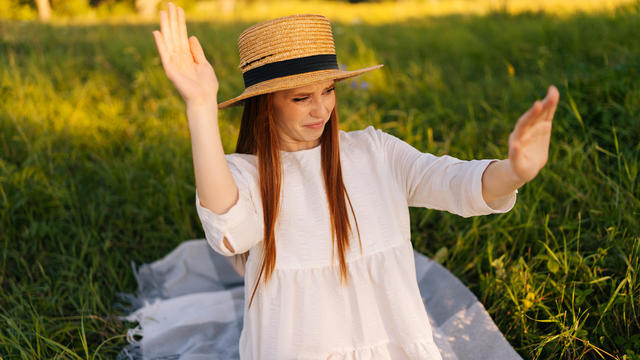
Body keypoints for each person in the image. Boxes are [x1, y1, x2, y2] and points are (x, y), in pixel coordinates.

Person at [127, 2, 559, 359]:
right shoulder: (249, 173)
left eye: (329, 90)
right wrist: (200, 107)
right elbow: (226, 227)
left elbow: (455, 182)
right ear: (264, 106)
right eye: (301, 98)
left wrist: (514, 171)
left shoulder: (375, 152)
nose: (321, 110)